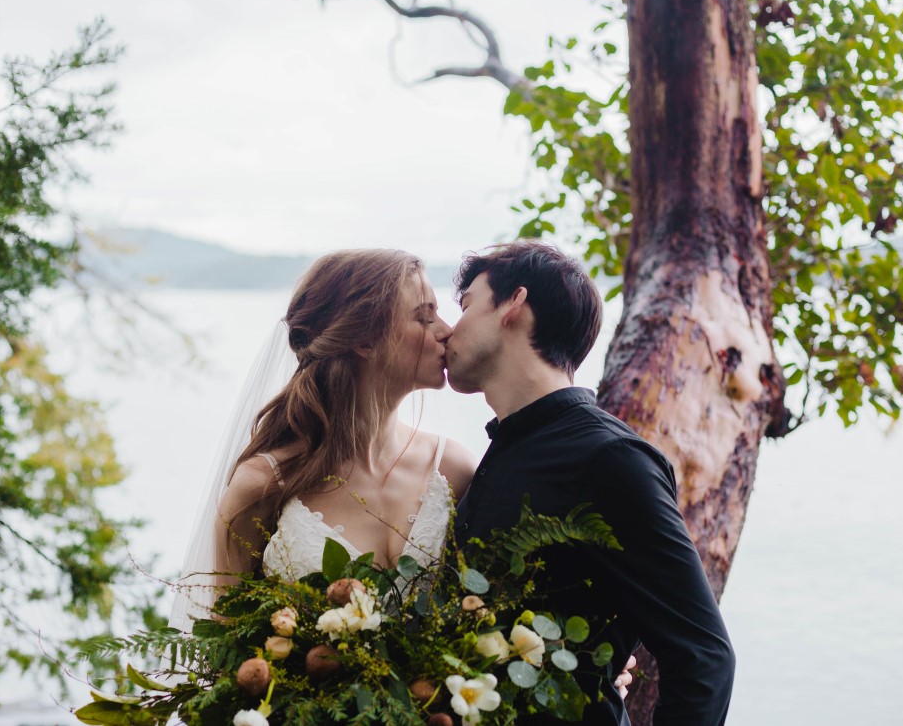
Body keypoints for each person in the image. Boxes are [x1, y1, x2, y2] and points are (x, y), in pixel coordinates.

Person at [169, 247, 637, 695]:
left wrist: (583, 668)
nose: (446, 330)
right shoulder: (262, 485)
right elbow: (226, 654)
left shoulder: (455, 471)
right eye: (423, 315)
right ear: (364, 339)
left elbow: (506, 614)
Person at [446, 242, 735, 725]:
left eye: (466, 305)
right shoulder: (508, 447)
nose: (451, 330)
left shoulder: (611, 459)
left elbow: (704, 657)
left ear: (513, 306)